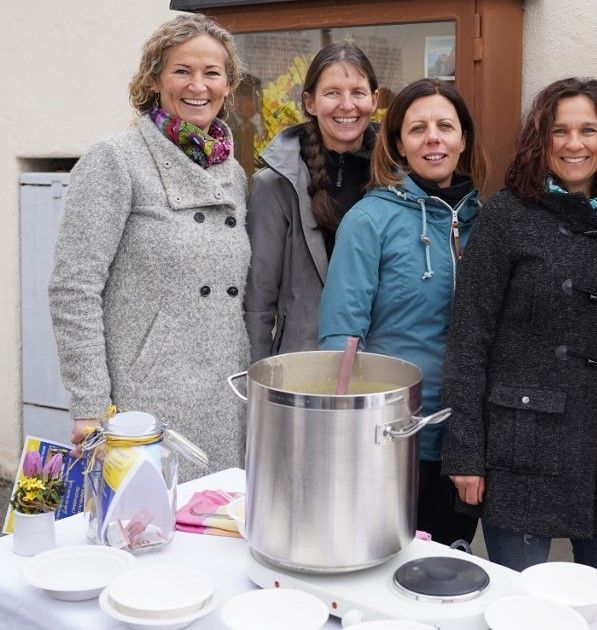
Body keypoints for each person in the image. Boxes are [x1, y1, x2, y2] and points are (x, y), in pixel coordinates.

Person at [440, 77, 597, 601]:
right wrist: (465, 453)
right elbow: (469, 336)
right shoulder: (507, 214)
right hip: (519, 446)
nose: (575, 144)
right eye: (560, 131)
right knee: (524, 608)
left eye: (588, 130)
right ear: (540, 138)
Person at [48, 14, 250, 478]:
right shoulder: (115, 159)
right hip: (143, 399)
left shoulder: (231, 172)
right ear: (155, 79)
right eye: (182, 71)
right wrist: (89, 403)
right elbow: (73, 288)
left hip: (224, 393)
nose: (197, 85)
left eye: (212, 73)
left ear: (227, 85)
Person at [318, 78, 487, 546]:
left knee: (445, 578)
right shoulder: (369, 220)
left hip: (463, 442)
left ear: (463, 138)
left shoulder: (489, 222)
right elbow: (341, 339)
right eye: (418, 128)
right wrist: (346, 435)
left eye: (445, 126)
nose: (433, 138)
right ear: (398, 143)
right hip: (388, 442)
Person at [245, 43, 379, 362]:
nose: (347, 105)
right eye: (332, 92)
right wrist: (257, 385)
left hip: (380, 366)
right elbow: (258, 303)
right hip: (301, 367)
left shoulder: (398, 180)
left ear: (375, 100)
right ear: (310, 102)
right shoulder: (275, 185)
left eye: (358, 93)